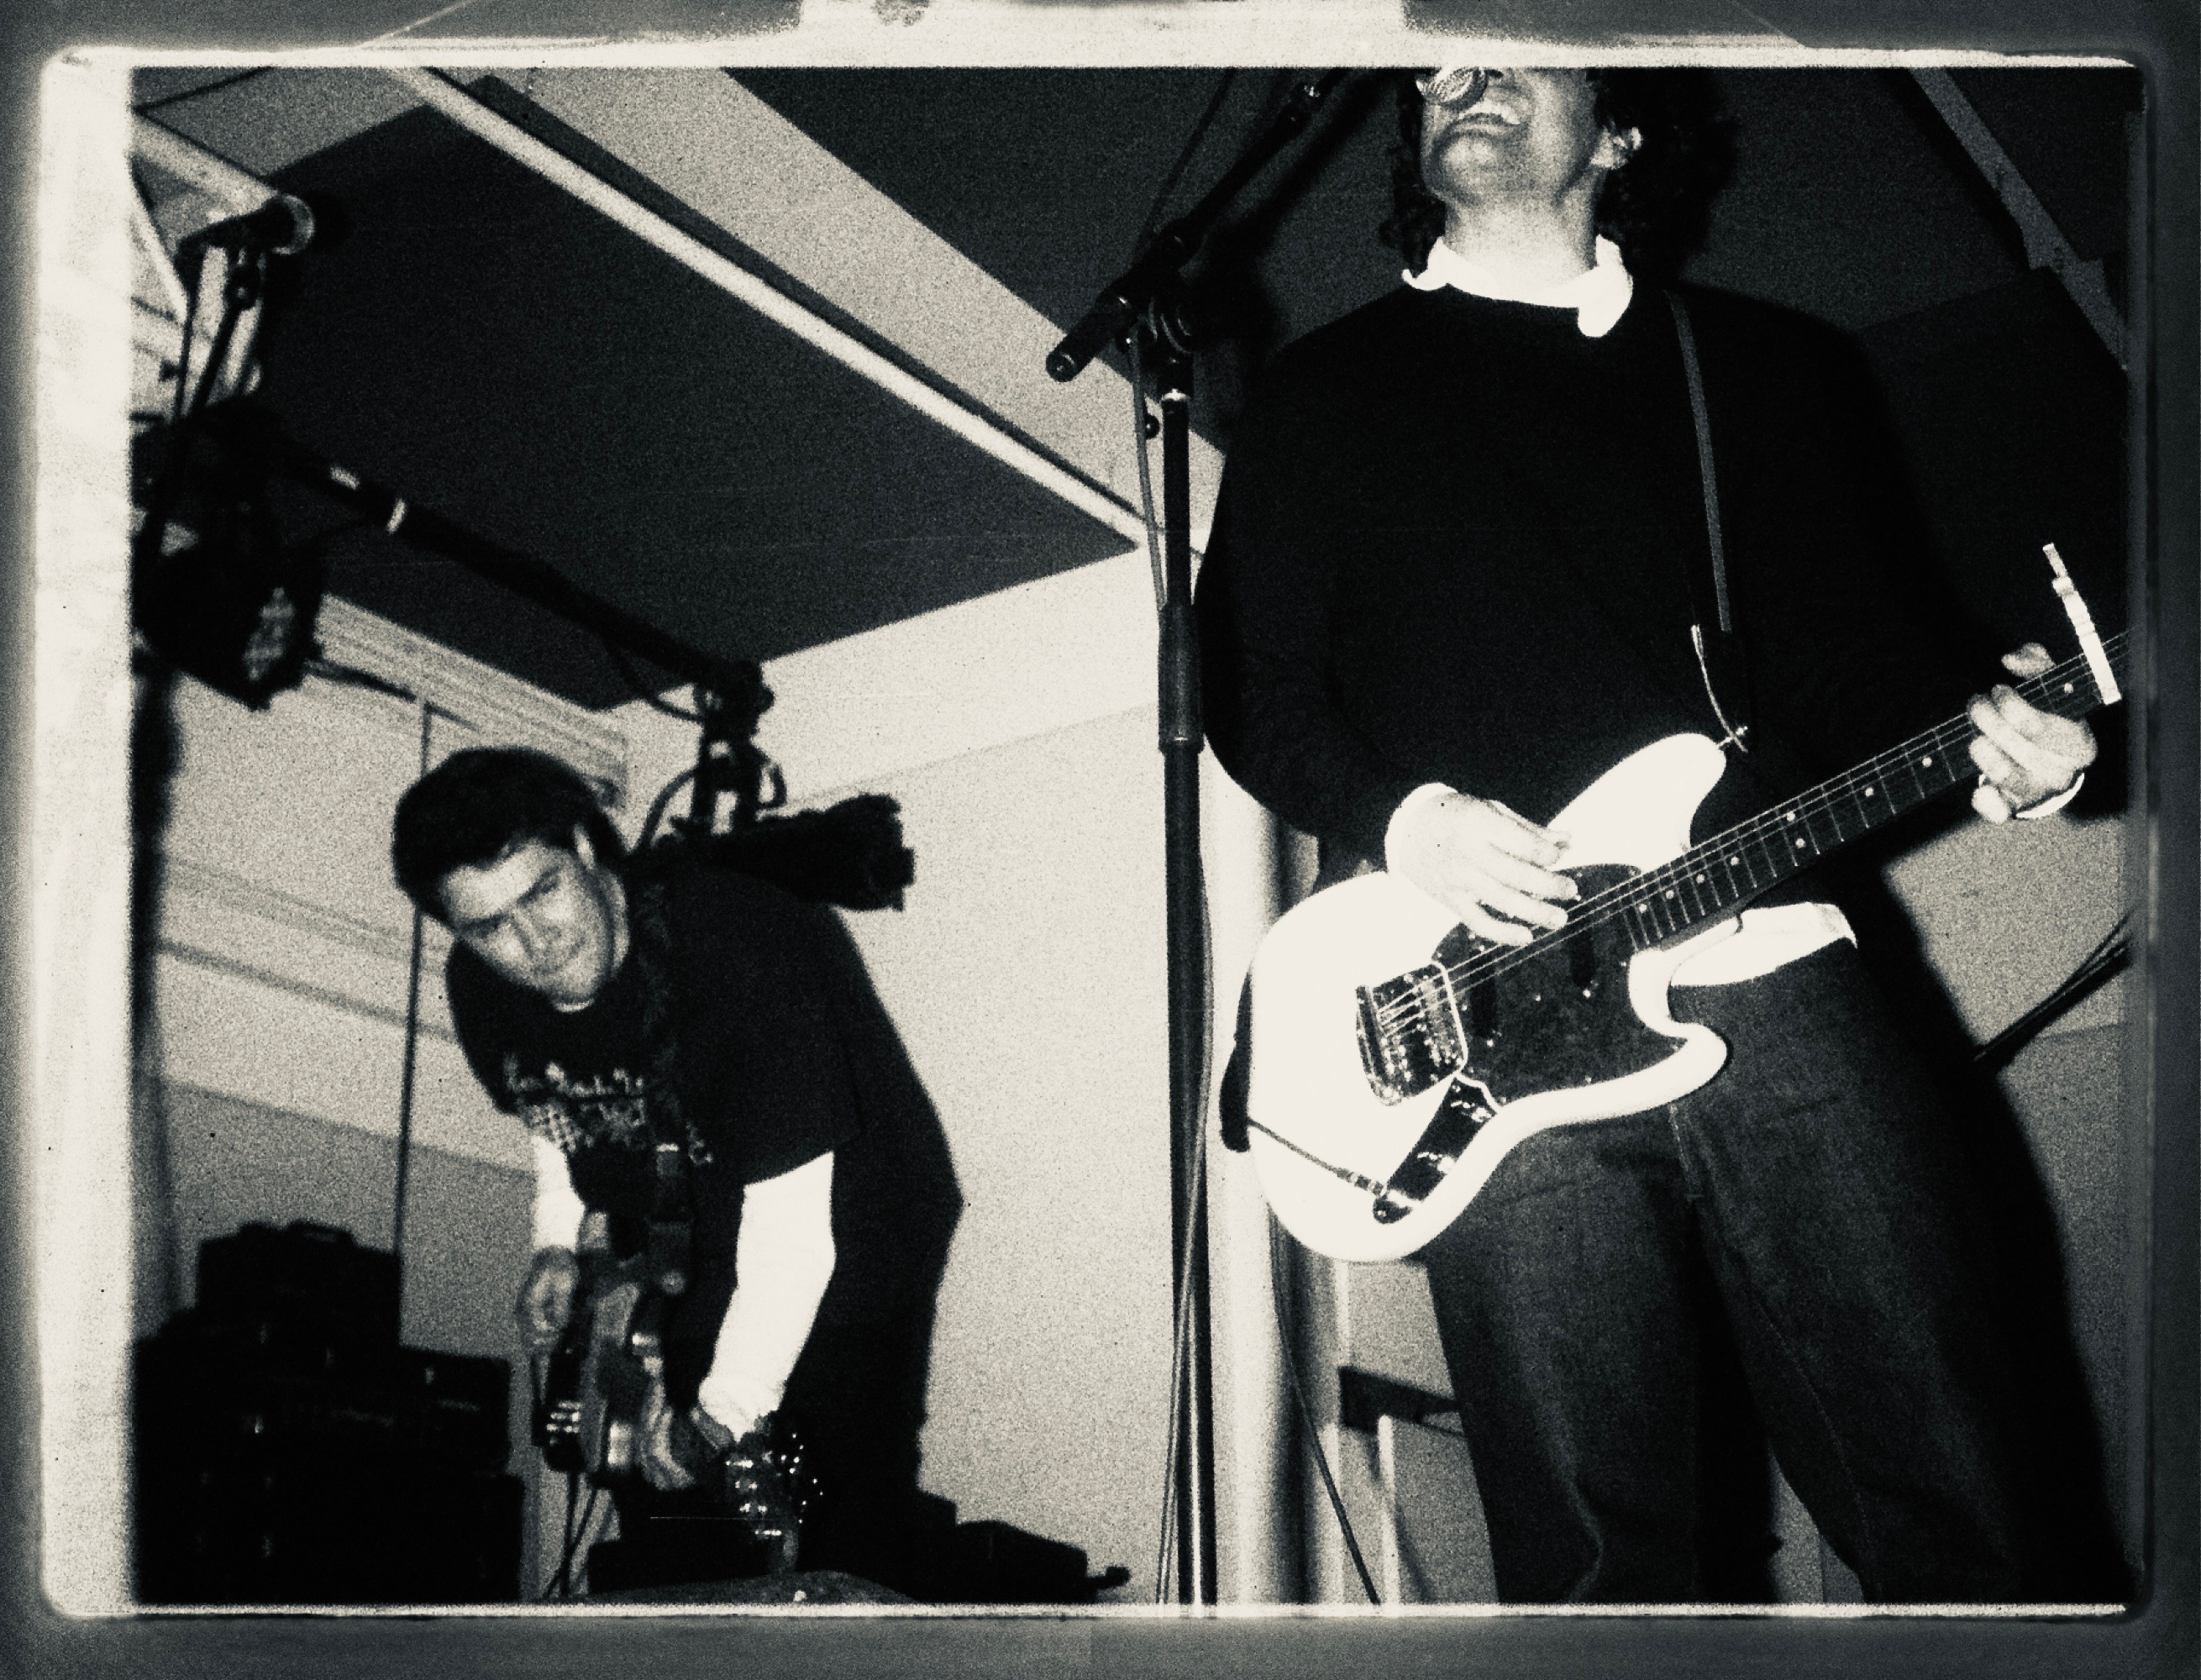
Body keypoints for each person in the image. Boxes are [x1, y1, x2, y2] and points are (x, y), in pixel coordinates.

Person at [1196, 66, 2100, 1603]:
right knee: (1590, 1563)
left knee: (1963, 1497)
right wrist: (1405, 819)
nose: (1462, 78)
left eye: (1516, 47)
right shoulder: (1325, 393)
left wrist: (2001, 748)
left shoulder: (1758, 367)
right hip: (1483, 1008)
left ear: (1620, 133)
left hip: (1770, 957)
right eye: (1438, 64)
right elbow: (1246, 682)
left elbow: (1852, 655)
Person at [391, 746, 960, 1592]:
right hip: (686, 1241)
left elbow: (793, 1240)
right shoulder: (482, 985)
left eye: (541, 892)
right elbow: (549, 1098)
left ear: (587, 847)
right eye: (488, 926)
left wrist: (726, 1412)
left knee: (823, 1509)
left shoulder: (741, 941)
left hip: (850, 1225)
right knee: (676, 1522)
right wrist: (555, 1237)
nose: (534, 942)